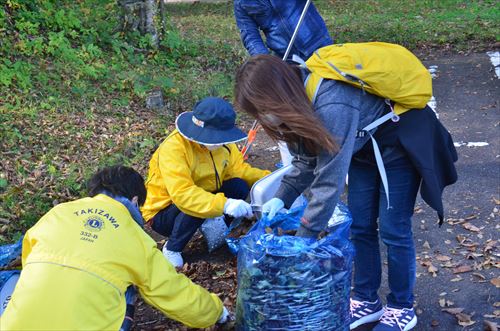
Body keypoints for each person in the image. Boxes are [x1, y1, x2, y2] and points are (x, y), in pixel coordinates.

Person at [234, 55, 457, 331]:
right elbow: (305, 161)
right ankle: (366, 299)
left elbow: (329, 182)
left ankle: (401, 307)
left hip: (398, 144)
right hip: (363, 150)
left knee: (393, 230)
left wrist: (302, 244)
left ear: (277, 95)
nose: (262, 118)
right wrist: (282, 196)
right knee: (360, 225)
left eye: (261, 110)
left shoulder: (332, 103)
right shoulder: (295, 109)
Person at [0, 166, 230, 330]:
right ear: (134, 200)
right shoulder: (135, 238)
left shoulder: (56, 214)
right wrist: (216, 312)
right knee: (129, 286)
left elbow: (29, 258)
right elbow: (172, 292)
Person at [142, 97, 270, 267]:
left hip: (205, 193)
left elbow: (238, 170)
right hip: (164, 213)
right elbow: (183, 195)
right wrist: (225, 205)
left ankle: (216, 227)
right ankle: (172, 248)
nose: (222, 141)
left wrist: (272, 179)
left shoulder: (224, 145)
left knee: (239, 185)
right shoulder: (174, 148)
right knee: (197, 202)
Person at [234, 0, 333, 60]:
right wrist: (266, 62)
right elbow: (251, 37)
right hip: (287, 59)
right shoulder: (241, 3)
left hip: (319, 43)